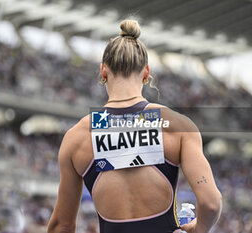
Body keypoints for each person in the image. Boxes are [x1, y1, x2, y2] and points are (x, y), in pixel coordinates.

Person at [47, 19, 222, 233]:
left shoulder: (77, 138)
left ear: (103, 72)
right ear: (146, 73)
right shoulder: (178, 127)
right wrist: (198, 229)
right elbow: (211, 203)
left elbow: (61, 226)